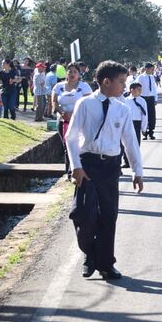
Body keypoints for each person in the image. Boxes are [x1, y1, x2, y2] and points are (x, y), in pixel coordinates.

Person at [66, 61, 143, 280]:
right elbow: (71, 137)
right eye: (121, 82)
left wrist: (137, 171)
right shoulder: (85, 104)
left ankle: (106, 263)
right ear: (106, 82)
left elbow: (130, 142)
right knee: (83, 215)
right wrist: (76, 167)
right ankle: (90, 253)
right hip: (87, 165)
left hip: (110, 166)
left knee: (109, 216)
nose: (124, 86)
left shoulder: (122, 109)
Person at [52, 63, 93, 179]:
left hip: (80, 121)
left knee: (78, 146)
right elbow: (54, 102)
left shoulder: (84, 87)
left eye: (75, 72)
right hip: (63, 120)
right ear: (66, 73)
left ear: (79, 74)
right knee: (67, 146)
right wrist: (62, 113)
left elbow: (89, 103)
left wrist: (74, 114)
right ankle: (69, 172)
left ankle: (79, 170)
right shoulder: (58, 86)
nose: (72, 74)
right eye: (70, 71)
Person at [121, 82, 148, 169]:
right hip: (127, 123)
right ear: (132, 90)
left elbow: (144, 115)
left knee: (136, 143)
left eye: (141, 90)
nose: (140, 92)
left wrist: (144, 128)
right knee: (126, 142)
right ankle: (126, 161)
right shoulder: (125, 100)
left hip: (137, 123)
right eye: (138, 90)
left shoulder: (142, 101)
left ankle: (135, 161)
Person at [138, 63, 159, 140]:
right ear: (146, 69)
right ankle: (144, 133)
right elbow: (137, 87)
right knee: (144, 115)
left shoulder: (152, 77)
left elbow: (154, 88)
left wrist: (156, 98)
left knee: (152, 116)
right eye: (151, 69)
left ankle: (151, 132)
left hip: (151, 98)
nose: (153, 71)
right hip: (143, 98)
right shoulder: (141, 77)